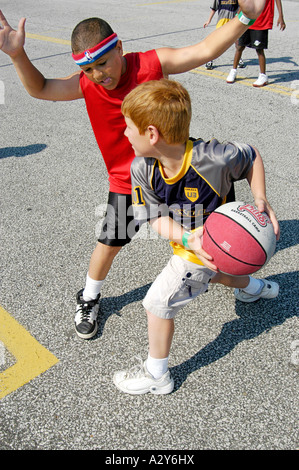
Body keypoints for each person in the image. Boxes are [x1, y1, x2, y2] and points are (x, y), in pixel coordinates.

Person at [0, 1, 266, 340]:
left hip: (181, 170)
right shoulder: (87, 84)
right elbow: (41, 89)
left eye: (103, 63)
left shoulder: (153, 63)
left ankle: (248, 283)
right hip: (129, 182)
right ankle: (89, 296)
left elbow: (204, 49)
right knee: (109, 242)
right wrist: (16, 55)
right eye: (89, 68)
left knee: (214, 244)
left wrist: (246, 17)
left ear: (119, 47)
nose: (99, 74)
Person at [113, 78, 280, 395]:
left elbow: (252, 155)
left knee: (158, 303)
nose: (124, 133)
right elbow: (154, 216)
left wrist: (260, 198)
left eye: (128, 127)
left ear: (152, 134)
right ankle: (256, 288)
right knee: (213, 276)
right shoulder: (142, 168)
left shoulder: (213, 158)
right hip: (195, 244)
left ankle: (157, 375)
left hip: (214, 243)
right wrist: (186, 238)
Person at [226, 0, 286, 86]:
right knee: (239, 46)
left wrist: (281, 16)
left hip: (261, 21)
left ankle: (263, 76)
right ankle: (233, 71)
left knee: (259, 49)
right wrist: (237, 15)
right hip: (247, 18)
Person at [203, 0, 244, 70]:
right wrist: (208, 20)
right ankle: (210, 59)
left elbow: (242, 8)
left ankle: (239, 59)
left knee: (237, 41)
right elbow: (214, 8)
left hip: (233, 21)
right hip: (221, 21)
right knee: (216, 42)